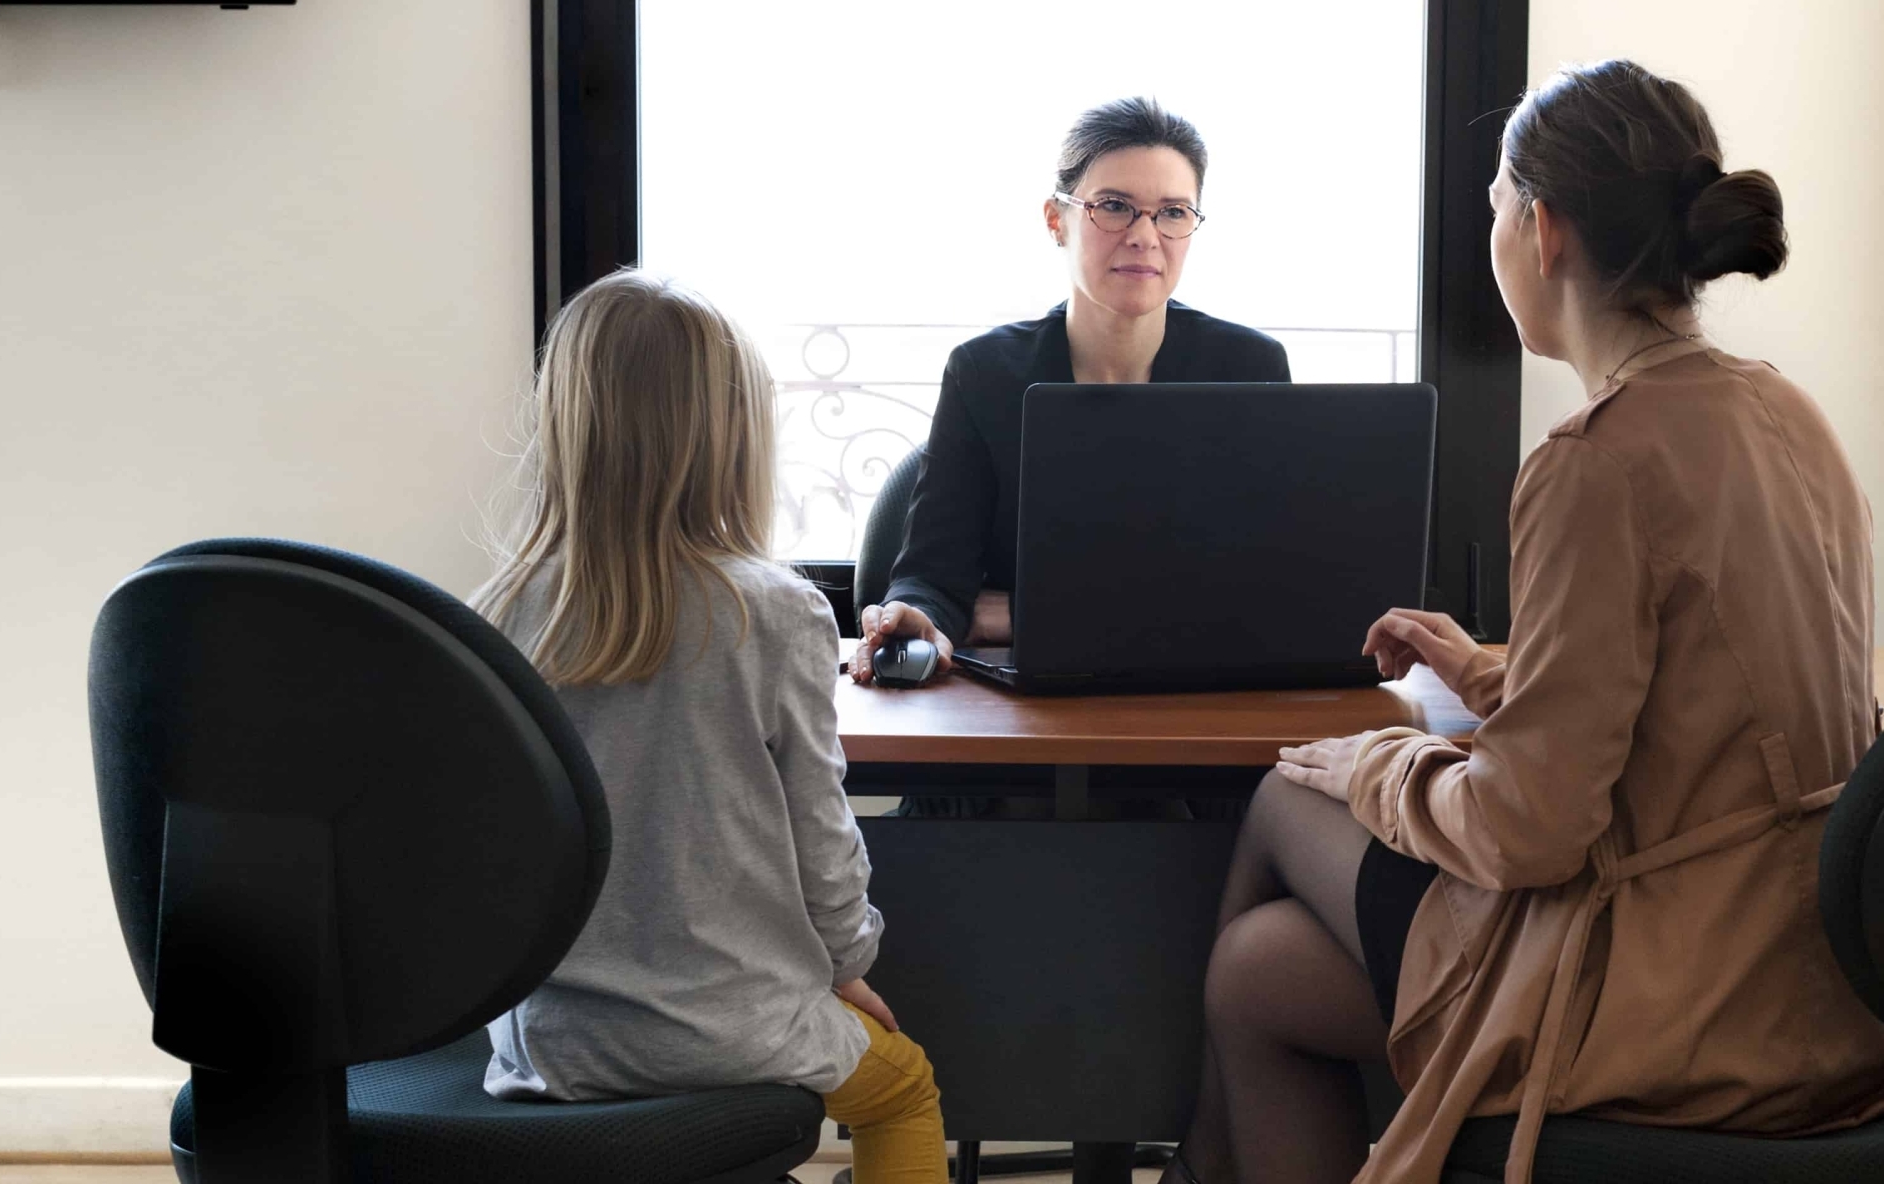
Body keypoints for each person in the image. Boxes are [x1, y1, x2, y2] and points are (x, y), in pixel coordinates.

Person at [1165, 60, 1884, 1184]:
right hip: (1820, 971)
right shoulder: (1787, 411)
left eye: (1490, 202)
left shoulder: (1596, 461)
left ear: (1541, 229)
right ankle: (1199, 1162)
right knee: (1257, 968)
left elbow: (1533, 829)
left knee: (1288, 789)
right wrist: (1488, 674)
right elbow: (1702, 693)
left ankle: (1196, 1162)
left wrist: (1375, 764)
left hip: (1680, 993)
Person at [471, 271, 947, 1184]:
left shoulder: (493, 613)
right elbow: (824, 844)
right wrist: (848, 965)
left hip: (550, 1043)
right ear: (729, 437)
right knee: (904, 1089)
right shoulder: (773, 614)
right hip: (735, 1028)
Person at [849, 96, 1290, 684]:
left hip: (1196, 692)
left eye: (1173, 212)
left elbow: (1261, 591)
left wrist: (1024, 612)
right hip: (1023, 707)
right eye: (1114, 207)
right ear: (1058, 220)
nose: (1144, 235)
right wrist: (917, 614)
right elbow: (934, 575)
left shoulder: (1247, 367)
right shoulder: (984, 373)